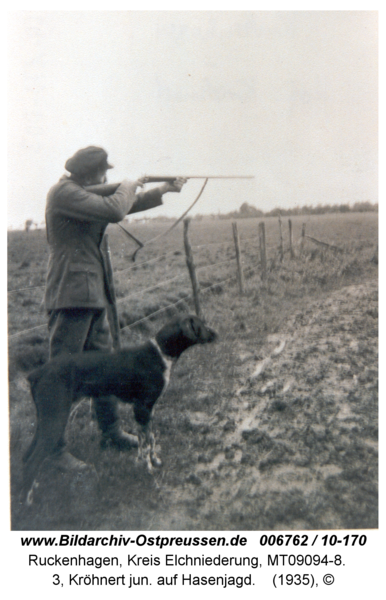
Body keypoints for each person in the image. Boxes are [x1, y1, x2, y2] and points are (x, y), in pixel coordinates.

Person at [44, 146, 186, 467]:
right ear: (90, 173)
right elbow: (115, 209)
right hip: (70, 294)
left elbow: (122, 202)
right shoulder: (64, 192)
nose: (107, 176)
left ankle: (110, 432)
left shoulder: (81, 194)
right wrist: (130, 182)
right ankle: (52, 450)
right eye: (103, 172)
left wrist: (162, 189)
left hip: (93, 293)